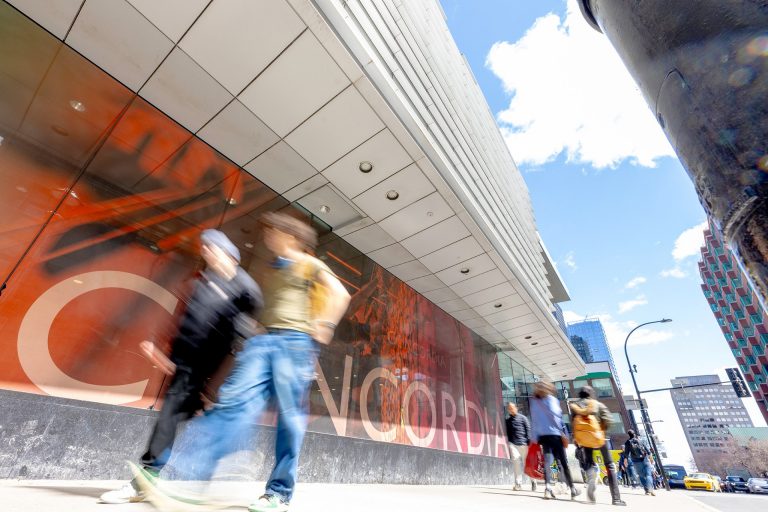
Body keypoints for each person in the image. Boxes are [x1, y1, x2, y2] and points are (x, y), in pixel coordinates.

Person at [133, 212, 351, 512]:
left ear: (289, 236)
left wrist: (325, 325)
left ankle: (278, 493)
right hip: (262, 344)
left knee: (290, 420)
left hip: (294, 343)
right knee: (233, 404)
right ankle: (189, 478)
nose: (267, 238)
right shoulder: (273, 270)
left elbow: (340, 293)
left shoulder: (309, 264)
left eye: (272, 232)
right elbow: (267, 313)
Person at [100, 229, 262, 504]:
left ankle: (203, 483)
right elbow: (183, 323)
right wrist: (165, 353)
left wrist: (219, 383)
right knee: (169, 421)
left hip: (218, 374)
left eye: (213, 248)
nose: (207, 252)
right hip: (187, 369)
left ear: (231, 255)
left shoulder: (246, 289)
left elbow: (245, 335)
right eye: (205, 248)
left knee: (207, 427)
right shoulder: (199, 283)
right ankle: (147, 481)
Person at [569, 386, 626, 506]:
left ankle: (591, 479)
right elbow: (608, 420)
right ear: (590, 394)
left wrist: (577, 438)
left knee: (589, 463)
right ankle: (616, 499)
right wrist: (601, 429)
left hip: (584, 440)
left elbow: (573, 424)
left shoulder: (575, 406)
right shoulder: (597, 404)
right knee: (609, 465)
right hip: (599, 437)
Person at [529, 381, 580, 500]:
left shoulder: (534, 402)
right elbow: (556, 416)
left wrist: (534, 438)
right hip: (555, 435)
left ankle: (547, 489)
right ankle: (572, 489)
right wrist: (563, 433)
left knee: (547, 462)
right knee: (563, 462)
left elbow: (534, 421)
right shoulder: (552, 399)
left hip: (543, 436)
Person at [505, 402, 535, 491]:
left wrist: (529, 442)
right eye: (509, 408)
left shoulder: (523, 418)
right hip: (513, 444)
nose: (511, 410)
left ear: (516, 408)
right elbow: (507, 433)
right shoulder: (507, 421)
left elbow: (528, 429)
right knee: (516, 462)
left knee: (527, 465)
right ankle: (518, 483)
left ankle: (533, 481)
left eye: (512, 408)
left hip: (524, 444)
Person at [623, 429, 655, 496]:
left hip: (636, 461)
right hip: (645, 459)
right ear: (634, 434)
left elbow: (626, 453)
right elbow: (647, 450)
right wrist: (651, 458)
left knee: (641, 476)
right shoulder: (640, 440)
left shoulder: (628, 442)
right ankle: (651, 489)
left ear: (628, 435)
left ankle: (647, 491)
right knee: (648, 475)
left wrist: (625, 460)